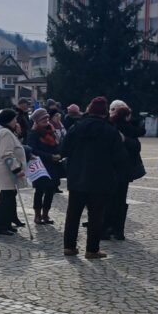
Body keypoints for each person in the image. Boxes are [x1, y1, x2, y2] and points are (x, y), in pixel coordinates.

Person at [61, 96, 126, 258]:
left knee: (73, 214)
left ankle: (69, 246)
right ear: (105, 113)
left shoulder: (76, 127)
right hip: (101, 179)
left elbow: (64, 150)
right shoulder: (110, 131)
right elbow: (119, 158)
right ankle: (92, 249)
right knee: (96, 216)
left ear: (89, 110)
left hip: (77, 177)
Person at [103, 100, 143, 241]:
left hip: (121, 169)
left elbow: (136, 146)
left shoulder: (124, 128)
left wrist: (125, 139)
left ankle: (115, 229)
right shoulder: (111, 126)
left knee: (116, 200)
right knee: (113, 200)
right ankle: (112, 229)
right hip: (116, 169)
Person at [0, 108, 27, 236]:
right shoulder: (5, 133)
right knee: (5, 198)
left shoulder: (5, 131)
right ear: (9, 120)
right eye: (14, 119)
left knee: (9, 198)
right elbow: (7, 154)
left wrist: (17, 133)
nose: (16, 121)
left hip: (7, 170)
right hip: (8, 171)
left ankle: (6, 223)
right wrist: (17, 170)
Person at [27, 108, 60, 225]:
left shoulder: (51, 130)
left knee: (50, 191)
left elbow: (56, 145)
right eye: (43, 119)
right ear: (36, 121)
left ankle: (45, 214)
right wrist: (50, 156)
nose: (46, 120)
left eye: (47, 118)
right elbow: (33, 150)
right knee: (39, 191)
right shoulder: (33, 133)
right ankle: (37, 215)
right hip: (40, 167)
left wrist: (58, 153)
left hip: (52, 166)